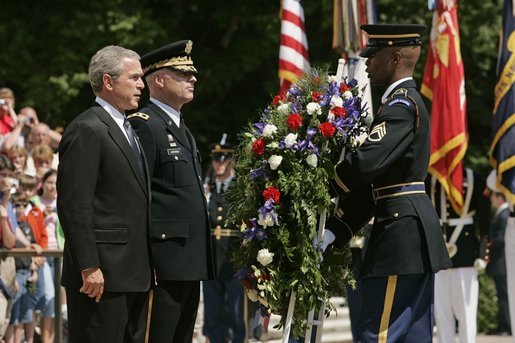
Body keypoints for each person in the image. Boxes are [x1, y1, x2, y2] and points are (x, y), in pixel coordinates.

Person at [327, 24, 452, 342]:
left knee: (377, 334)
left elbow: (368, 162)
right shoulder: (401, 103)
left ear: (396, 58)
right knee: (412, 335)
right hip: (408, 231)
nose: (367, 62)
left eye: (374, 55)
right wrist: (337, 229)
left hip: (400, 235)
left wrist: (325, 182)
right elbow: (378, 185)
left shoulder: (400, 106)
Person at [56, 45, 152, 343]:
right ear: (108, 81)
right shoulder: (87, 128)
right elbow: (74, 205)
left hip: (133, 273)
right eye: (134, 77)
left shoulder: (127, 128)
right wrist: (89, 265)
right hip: (100, 276)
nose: (141, 85)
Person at [128, 40, 214, 343]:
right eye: (182, 73)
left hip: (188, 258)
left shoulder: (181, 128)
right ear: (159, 79)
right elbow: (138, 195)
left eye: (192, 73)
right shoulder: (144, 125)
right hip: (162, 261)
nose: (193, 78)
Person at [429, 168, 490, 342]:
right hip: (438, 252)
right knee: (442, 315)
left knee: (466, 312)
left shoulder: (474, 179)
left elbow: (484, 220)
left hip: (465, 254)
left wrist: (482, 252)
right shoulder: (431, 177)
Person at [202, 137, 246, 343]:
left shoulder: (240, 188)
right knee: (213, 313)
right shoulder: (207, 189)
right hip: (212, 259)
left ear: (230, 161)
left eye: (223, 160)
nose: (219, 164)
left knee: (237, 315)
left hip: (233, 259)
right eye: (216, 160)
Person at [486, 170, 511, 335]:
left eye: (494, 196)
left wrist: (489, 244)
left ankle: (506, 326)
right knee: (503, 296)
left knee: (504, 296)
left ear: (500, 197)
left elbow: (502, 239)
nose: (492, 199)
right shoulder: (502, 213)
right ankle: (504, 325)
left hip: (501, 262)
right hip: (501, 262)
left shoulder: (504, 214)